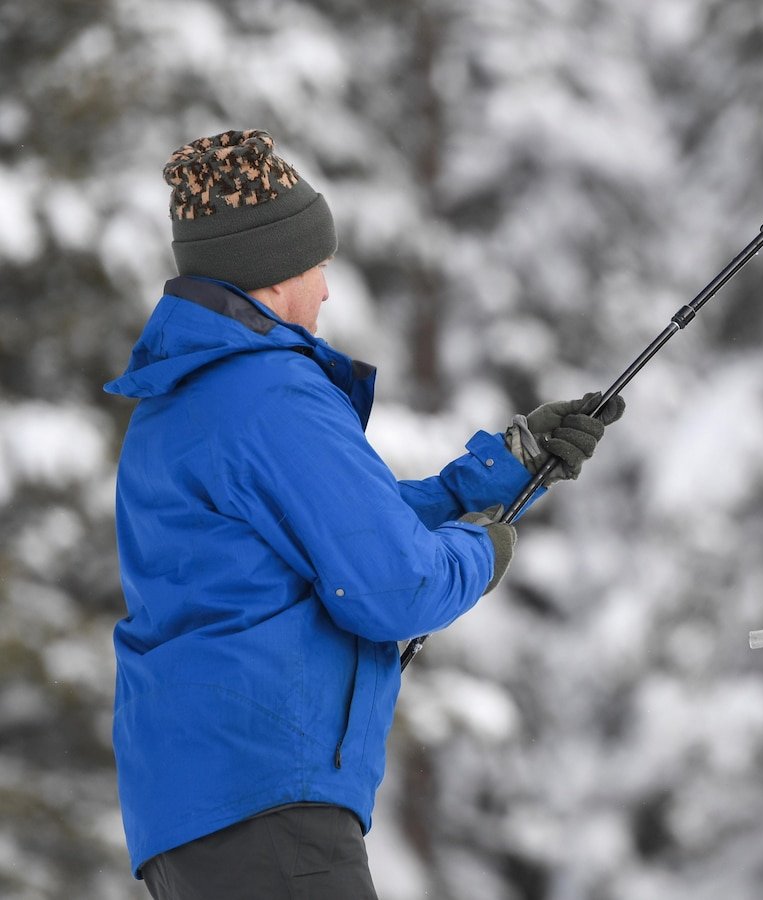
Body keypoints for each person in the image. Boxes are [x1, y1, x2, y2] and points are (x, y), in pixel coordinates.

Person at [104, 130, 623, 898]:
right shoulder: (268, 392)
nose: (325, 290)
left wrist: (497, 477)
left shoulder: (186, 399)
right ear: (271, 274)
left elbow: (328, 535)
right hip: (270, 806)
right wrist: (482, 552)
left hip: (196, 816)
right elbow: (392, 586)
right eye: (317, 265)